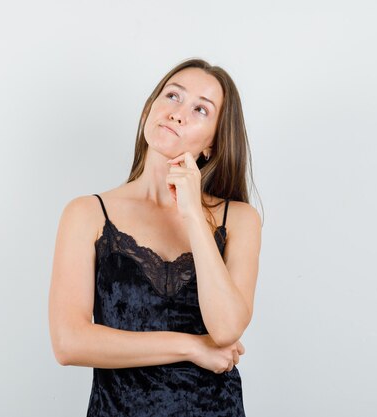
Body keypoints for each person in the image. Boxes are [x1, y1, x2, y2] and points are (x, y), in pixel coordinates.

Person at [48, 57, 262, 416]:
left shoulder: (239, 219)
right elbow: (69, 343)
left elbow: (225, 328)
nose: (178, 113)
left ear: (212, 143)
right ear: (150, 109)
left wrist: (193, 213)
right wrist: (192, 347)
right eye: (173, 96)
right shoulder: (86, 214)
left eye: (200, 110)